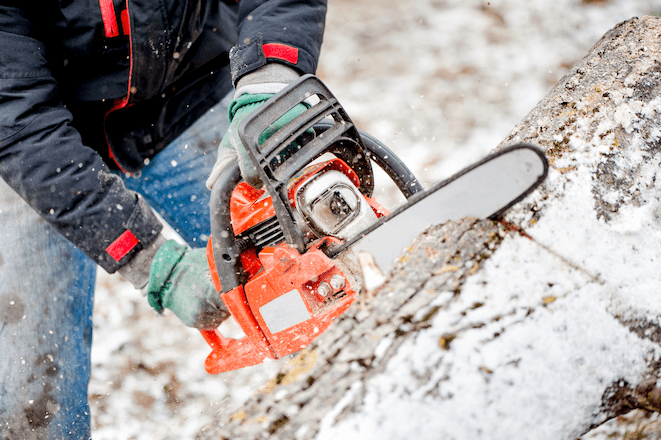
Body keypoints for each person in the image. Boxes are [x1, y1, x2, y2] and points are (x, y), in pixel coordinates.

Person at [0, 0, 326, 438]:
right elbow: (18, 120)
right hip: (36, 153)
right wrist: (152, 260)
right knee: (28, 396)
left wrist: (271, 77)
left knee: (310, 276)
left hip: (187, 91)